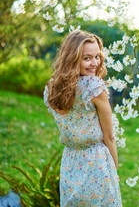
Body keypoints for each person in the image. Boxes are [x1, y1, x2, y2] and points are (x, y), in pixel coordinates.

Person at [44, 30, 122, 206]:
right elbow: (109, 137)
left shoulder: (51, 89)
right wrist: (113, 170)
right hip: (97, 164)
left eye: (97, 56)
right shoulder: (94, 87)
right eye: (87, 58)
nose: (95, 63)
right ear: (72, 59)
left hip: (70, 162)